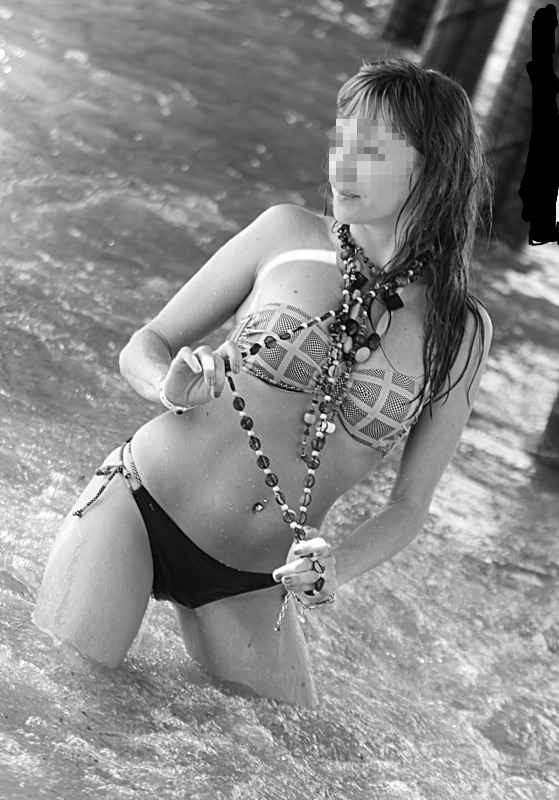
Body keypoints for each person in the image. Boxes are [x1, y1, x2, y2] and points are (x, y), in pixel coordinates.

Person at [32, 56, 494, 708]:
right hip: (139, 508)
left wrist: (337, 568)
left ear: (432, 167)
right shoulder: (285, 235)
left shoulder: (459, 331)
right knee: (62, 705)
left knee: (290, 752)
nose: (340, 164)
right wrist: (168, 387)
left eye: (369, 151)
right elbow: (145, 344)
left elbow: (410, 505)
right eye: (339, 141)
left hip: (253, 580)